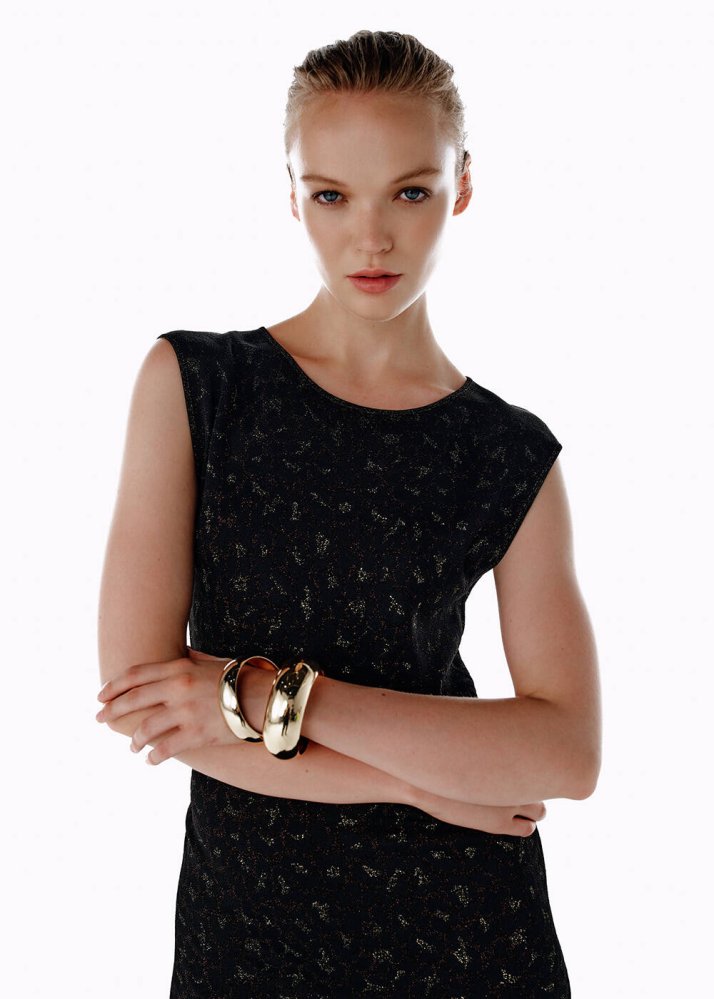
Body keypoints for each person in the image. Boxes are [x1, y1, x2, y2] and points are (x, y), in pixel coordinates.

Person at [96, 29, 600, 998]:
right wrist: (420, 783)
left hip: (468, 932)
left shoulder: (509, 453)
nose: (371, 239)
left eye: (409, 192)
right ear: (292, 193)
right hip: (251, 929)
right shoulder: (198, 386)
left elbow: (568, 753)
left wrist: (265, 696)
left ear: (461, 185)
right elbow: (148, 703)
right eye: (332, 195)